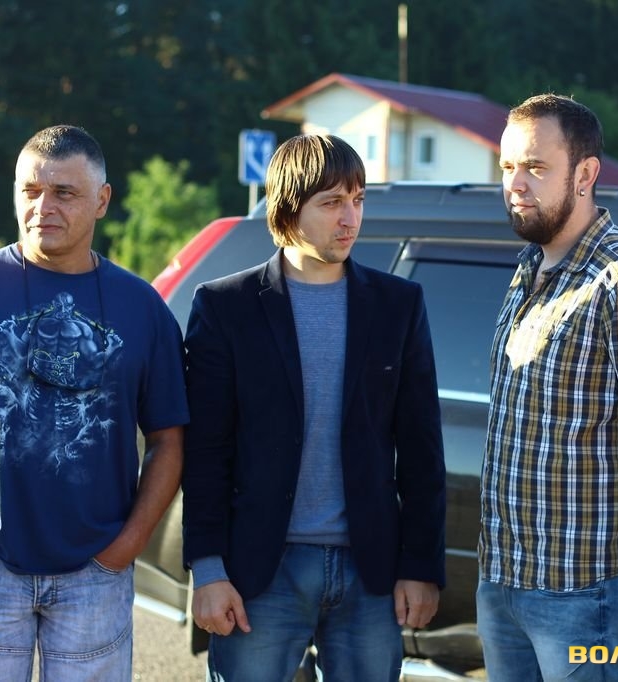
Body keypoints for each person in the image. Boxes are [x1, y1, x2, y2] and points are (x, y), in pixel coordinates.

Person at [0, 124, 188, 681]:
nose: (43, 207)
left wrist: (129, 544)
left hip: (95, 573)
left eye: (64, 193)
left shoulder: (142, 308)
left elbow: (169, 439)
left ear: (102, 201)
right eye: (30, 190)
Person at [181, 133, 446, 681]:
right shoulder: (225, 307)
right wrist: (206, 569)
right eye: (332, 203)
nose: (350, 218)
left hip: (370, 572)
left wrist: (421, 565)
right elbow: (205, 451)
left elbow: (422, 448)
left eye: (358, 200)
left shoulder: (398, 305)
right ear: (289, 208)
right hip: (260, 570)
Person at [477, 93, 618, 681]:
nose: (516, 183)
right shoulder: (530, 266)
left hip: (587, 594)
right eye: (507, 167)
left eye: (535, 167)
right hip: (503, 581)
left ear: (586, 174)